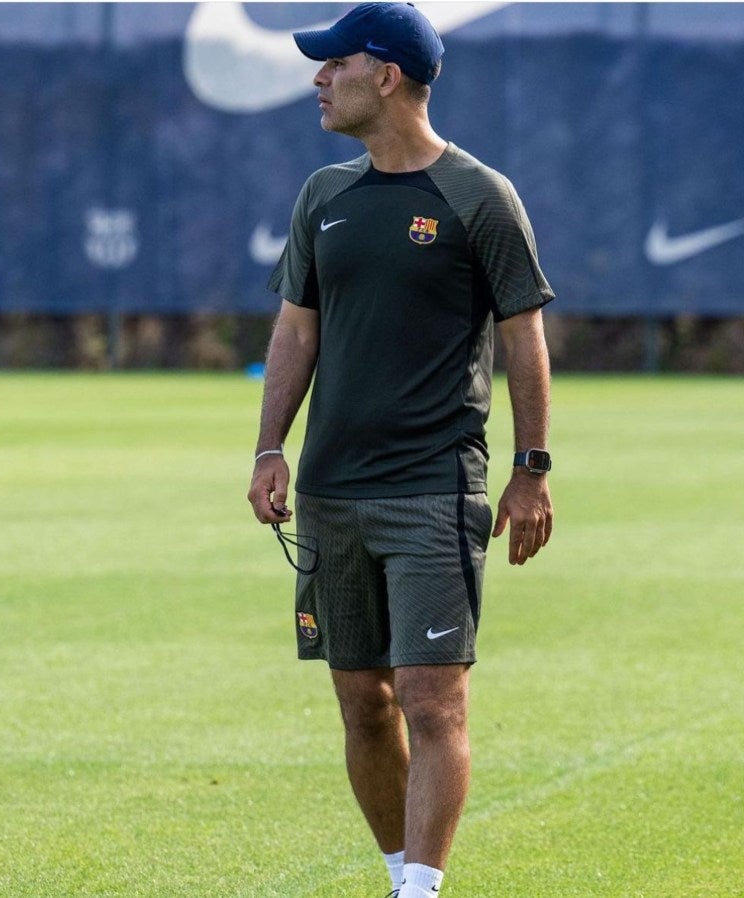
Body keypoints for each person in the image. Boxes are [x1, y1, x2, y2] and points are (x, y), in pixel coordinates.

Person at [247, 4, 555, 896]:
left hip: (432, 489)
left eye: (334, 64)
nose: (318, 79)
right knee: (363, 703)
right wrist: (268, 448)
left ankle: (422, 889)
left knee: (431, 697)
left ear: (385, 77)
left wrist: (531, 470)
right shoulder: (323, 196)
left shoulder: (480, 196)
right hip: (331, 492)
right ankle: (396, 875)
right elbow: (296, 331)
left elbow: (525, 339)